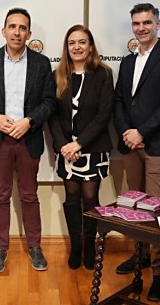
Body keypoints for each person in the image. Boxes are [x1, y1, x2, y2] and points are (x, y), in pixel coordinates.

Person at [113, 3, 160, 302]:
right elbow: (120, 101)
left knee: (158, 211)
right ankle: (140, 256)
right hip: (131, 147)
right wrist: (127, 133)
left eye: (147, 22)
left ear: (158, 24)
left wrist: (142, 132)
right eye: (136, 23)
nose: (141, 28)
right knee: (136, 207)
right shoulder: (128, 62)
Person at [0, 8, 56, 274]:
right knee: (1, 196)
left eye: (22, 28)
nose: (17, 32)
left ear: (29, 34)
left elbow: (50, 102)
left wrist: (29, 121)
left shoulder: (41, 63)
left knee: (29, 195)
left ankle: (35, 247)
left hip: (28, 138)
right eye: (12, 27)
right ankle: (0, 249)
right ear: (4, 31)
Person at [48, 25, 114, 270]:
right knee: (72, 198)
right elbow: (53, 116)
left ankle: (90, 246)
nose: (77, 47)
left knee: (90, 197)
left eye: (82, 42)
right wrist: (63, 146)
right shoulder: (58, 75)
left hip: (93, 148)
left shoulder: (103, 74)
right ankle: (76, 246)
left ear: (90, 46)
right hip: (67, 150)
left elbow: (104, 114)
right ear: (66, 47)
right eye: (72, 43)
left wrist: (79, 143)